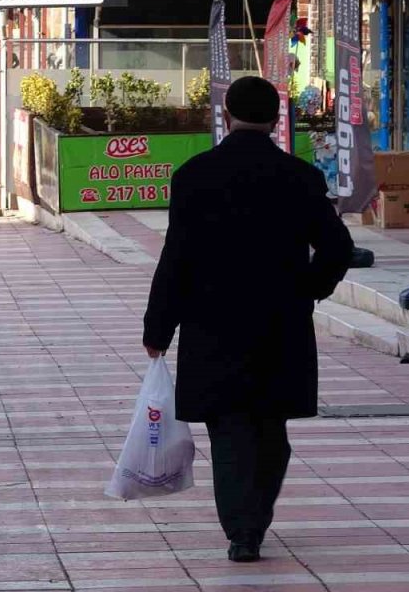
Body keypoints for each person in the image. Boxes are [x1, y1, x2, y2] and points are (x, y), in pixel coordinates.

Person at [142, 76, 354, 563]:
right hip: (279, 322)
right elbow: (338, 247)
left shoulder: (194, 175)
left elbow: (177, 258)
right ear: (277, 121)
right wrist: (309, 289)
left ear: (225, 115)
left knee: (228, 427)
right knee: (270, 424)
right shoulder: (299, 176)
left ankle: (242, 527)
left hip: (211, 322)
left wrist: (159, 328)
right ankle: (252, 519)